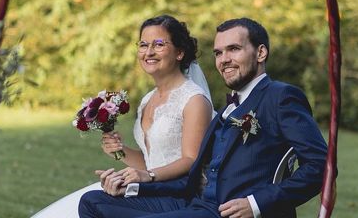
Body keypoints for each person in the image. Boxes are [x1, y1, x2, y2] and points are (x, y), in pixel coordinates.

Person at [78, 17, 328, 218]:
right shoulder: (230, 106)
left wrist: (255, 204)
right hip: (200, 206)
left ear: (261, 52)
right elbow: (194, 180)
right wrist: (135, 185)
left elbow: (320, 166)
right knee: (92, 203)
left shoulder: (280, 96)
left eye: (234, 49)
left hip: (227, 212)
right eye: (218, 53)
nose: (224, 59)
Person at [31, 15, 213, 218]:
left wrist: (147, 176)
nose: (149, 52)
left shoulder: (194, 100)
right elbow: (150, 162)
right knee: (93, 201)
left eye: (159, 44)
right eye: (143, 45)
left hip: (179, 196)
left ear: (179, 52)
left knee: (92, 203)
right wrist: (120, 152)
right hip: (153, 188)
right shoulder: (147, 100)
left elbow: (191, 159)